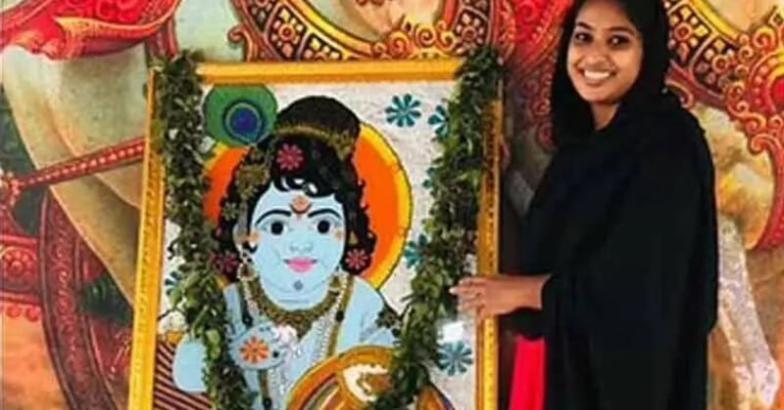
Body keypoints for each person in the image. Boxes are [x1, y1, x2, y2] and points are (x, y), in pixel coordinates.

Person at [452, 0, 719, 409]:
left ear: (648, 51)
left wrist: (527, 292)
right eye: (583, 38)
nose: (594, 56)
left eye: (618, 41)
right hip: (553, 371)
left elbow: (644, 287)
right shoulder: (578, 155)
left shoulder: (668, 146)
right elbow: (554, 254)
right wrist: (495, 180)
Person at [173, 96, 395, 410]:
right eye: (277, 226)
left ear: (349, 231)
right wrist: (240, 353)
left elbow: (401, 367)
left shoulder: (360, 301)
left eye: (323, 225)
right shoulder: (234, 302)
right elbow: (185, 374)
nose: (301, 244)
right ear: (244, 235)